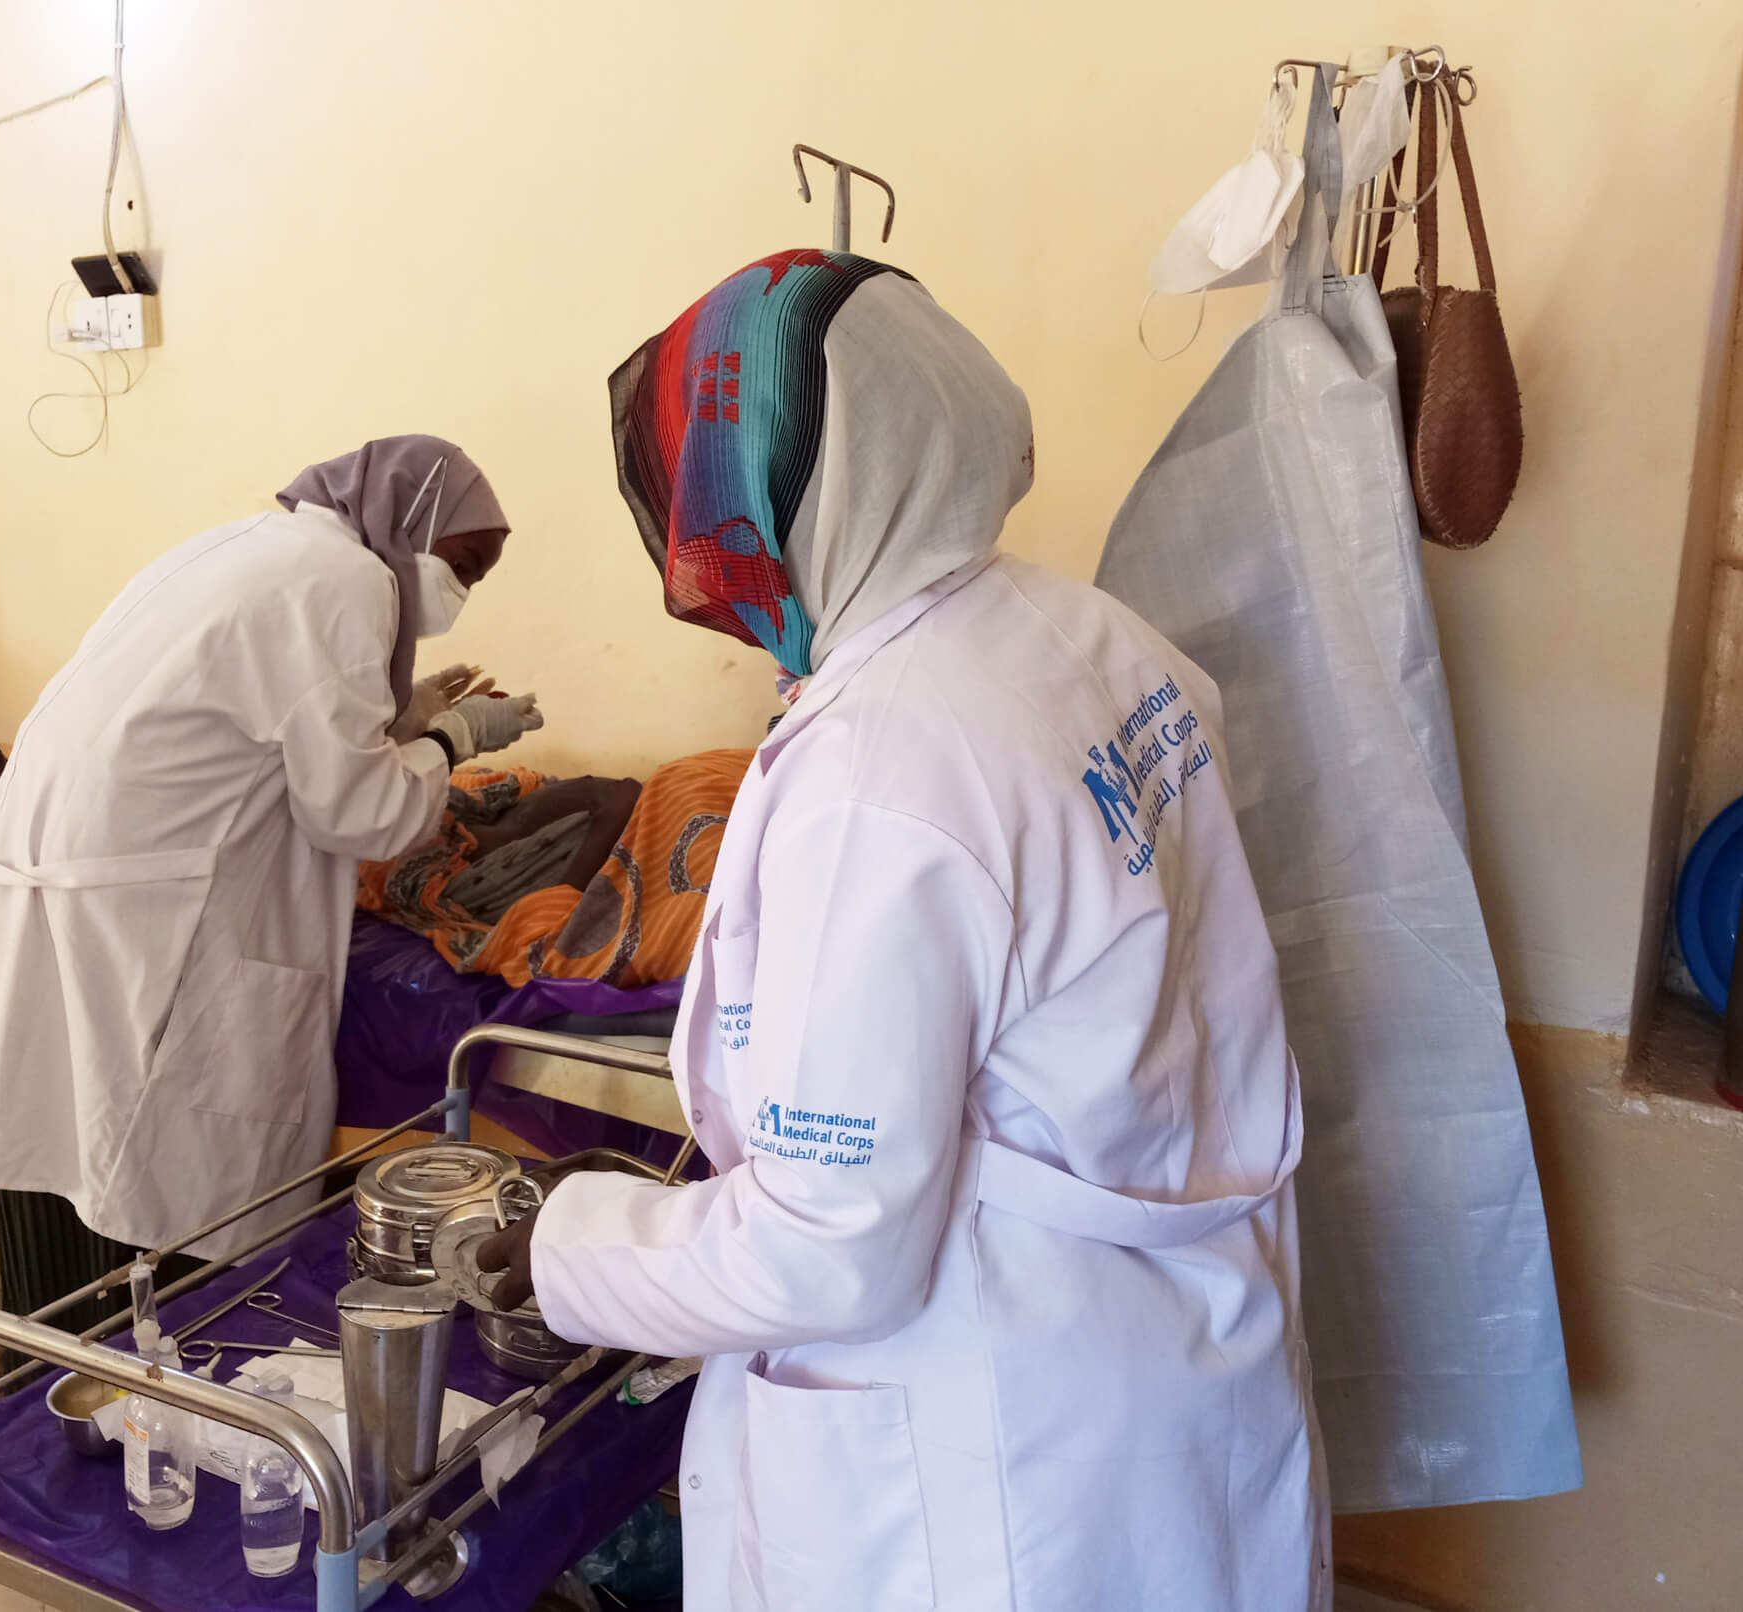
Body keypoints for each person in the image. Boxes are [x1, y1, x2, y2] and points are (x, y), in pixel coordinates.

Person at [478, 253, 1327, 1611]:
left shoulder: (887, 771)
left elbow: (829, 1243)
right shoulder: (1091, 636)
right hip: (1169, 1358)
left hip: (998, 1460)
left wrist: (565, 1245)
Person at [0, 437, 542, 1266]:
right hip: (152, 885)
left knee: (85, 1131)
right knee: (172, 1161)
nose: (462, 593)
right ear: (411, 521)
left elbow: (274, 724)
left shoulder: (248, 546)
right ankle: (171, 1336)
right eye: (464, 562)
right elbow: (359, 813)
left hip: (77, 857)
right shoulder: (350, 581)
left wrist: (403, 719)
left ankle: (82, 1327)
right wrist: (452, 740)